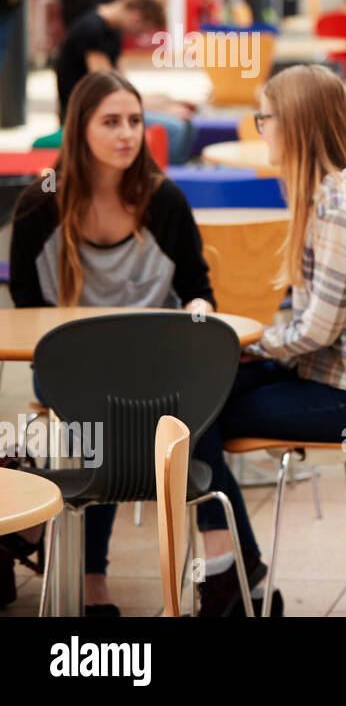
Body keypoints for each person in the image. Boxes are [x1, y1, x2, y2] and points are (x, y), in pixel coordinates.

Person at [191, 64, 346, 617]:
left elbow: (317, 330)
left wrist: (254, 346)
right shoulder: (329, 192)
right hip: (330, 375)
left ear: (295, 124)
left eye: (264, 117)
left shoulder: (335, 207)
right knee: (191, 401)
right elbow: (311, 324)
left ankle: (233, 587)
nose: (258, 127)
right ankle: (244, 584)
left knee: (192, 419)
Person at [4, 70, 215, 616]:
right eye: (111, 122)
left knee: (169, 417)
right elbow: (27, 311)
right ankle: (229, 577)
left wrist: (198, 315)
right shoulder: (38, 205)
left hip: (151, 368)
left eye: (136, 121)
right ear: (80, 130)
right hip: (69, 368)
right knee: (110, 416)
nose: (127, 134)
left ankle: (72, 562)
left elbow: (198, 290)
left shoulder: (163, 200)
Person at [54, 0, 196, 163]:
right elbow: (108, 90)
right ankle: (162, 182)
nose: (139, 35)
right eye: (143, 30)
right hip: (86, 112)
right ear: (137, 18)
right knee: (175, 129)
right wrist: (163, 109)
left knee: (186, 121)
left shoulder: (112, 31)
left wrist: (166, 102)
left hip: (106, 105)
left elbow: (121, 84)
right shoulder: (91, 30)